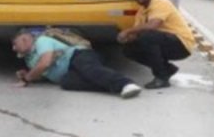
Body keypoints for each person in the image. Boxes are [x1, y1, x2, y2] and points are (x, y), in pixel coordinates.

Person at [11, 31, 142, 98]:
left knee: (87, 69)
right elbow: (44, 74)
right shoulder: (29, 59)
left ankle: (125, 83)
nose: (13, 48)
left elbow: (44, 64)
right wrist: (28, 74)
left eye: (15, 44)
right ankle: (114, 86)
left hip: (78, 55)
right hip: (68, 72)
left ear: (25, 39)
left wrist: (26, 79)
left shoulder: (41, 41)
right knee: (68, 83)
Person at [118, 0, 196, 89]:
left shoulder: (159, 2)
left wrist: (127, 31)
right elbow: (135, 35)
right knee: (128, 50)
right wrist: (125, 39)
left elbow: (152, 26)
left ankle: (161, 78)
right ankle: (166, 69)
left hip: (181, 44)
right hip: (165, 42)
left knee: (147, 36)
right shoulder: (141, 11)